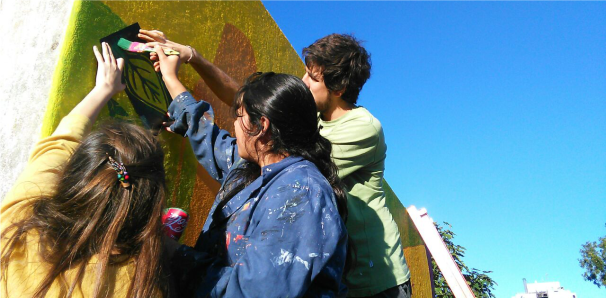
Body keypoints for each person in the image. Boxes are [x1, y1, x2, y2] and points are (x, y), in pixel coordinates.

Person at [139, 30, 412, 298]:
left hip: (375, 278)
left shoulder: (360, 130)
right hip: (313, 259)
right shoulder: (308, 122)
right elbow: (252, 105)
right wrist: (193, 58)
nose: (303, 81)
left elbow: (261, 135)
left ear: (338, 87)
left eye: (312, 78)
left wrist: (185, 103)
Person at [154, 47, 350, 297]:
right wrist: (170, 77)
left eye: (238, 116)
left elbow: (255, 291)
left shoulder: (300, 191)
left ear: (261, 126)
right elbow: (207, 135)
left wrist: (174, 254)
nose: (234, 124)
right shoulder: (254, 168)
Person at [0, 43, 173, 298]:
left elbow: (59, 144)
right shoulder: (140, 284)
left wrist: (103, 88)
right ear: (151, 207)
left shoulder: (20, 218)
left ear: (73, 171)